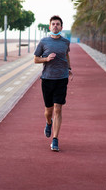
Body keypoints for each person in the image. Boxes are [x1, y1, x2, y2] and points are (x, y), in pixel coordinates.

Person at [34, 15, 72, 152]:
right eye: (53, 24)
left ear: (61, 27)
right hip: (47, 79)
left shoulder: (66, 42)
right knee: (48, 111)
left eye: (58, 24)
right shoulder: (44, 42)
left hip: (61, 79)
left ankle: (55, 140)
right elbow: (35, 59)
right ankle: (48, 123)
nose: (55, 26)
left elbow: (66, 56)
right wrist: (46, 59)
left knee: (58, 109)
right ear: (50, 27)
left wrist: (69, 69)